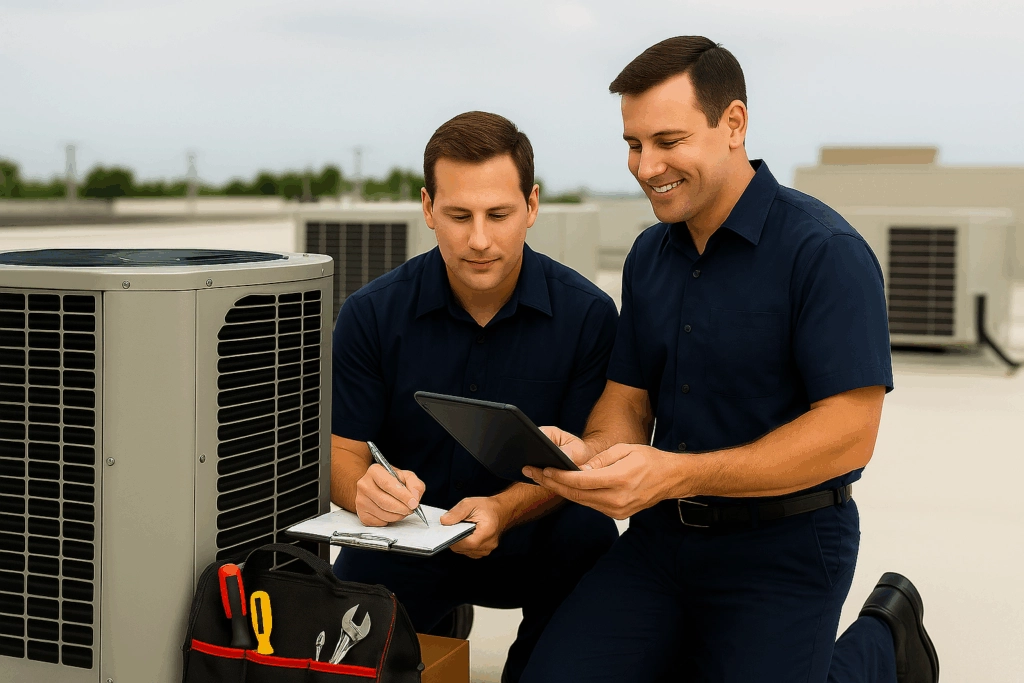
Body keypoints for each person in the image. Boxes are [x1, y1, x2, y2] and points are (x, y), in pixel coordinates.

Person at [521, 37, 939, 683]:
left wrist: (678, 473)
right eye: (634, 144)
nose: (645, 165)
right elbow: (628, 401)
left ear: (733, 124)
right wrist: (592, 453)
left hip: (785, 546)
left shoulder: (825, 252)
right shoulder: (648, 257)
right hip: (663, 543)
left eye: (668, 140)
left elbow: (850, 434)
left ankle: (886, 637)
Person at [329, 111, 620, 683]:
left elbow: (587, 458)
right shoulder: (370, 314)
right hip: (408, 537)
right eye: (459, 215)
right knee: (330, 658)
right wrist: (363, 492)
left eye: (499, 215)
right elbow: (342, 454)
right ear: (428, 208)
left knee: (593, 539)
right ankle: (434, 618)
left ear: (532, 207)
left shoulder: (588, 315)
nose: (479, 239)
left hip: (538, 533)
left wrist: (504, 510)